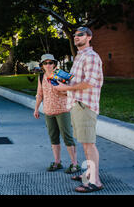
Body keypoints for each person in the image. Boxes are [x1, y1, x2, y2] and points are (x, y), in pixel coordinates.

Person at [54, 27, 104, 193]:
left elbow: (90, 82)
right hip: (76, 104)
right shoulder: (80, 57)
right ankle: (90, 173)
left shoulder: (91, 57)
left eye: (80, 35)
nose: (76, 37)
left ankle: (95, 181)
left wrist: (66, 87)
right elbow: (77, 80)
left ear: (89, 37)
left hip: (85, 104)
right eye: (75, 35)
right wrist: (63, 79)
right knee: (84, 142)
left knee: (89, 144)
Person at [34, 54, 80, 174]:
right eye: (45, 63)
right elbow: (40, 94)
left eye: (50, 62)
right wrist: (36, 109)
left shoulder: (60, 74)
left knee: (67, 137)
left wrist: (63, 90)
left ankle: (75, 164)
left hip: (62, 110)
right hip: (48, 111)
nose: (48, 65)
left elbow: (71, 89)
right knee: (53, 137)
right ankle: (57, 162)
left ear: (54, 64)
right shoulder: (41, 77)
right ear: (42, 65)